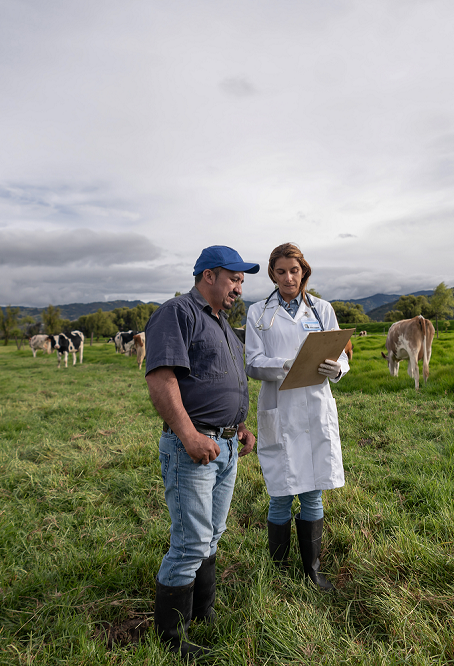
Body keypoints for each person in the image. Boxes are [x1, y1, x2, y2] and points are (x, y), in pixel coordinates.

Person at [143, 245, 258, 659]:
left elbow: (222, 382)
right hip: (193, 447)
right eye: (234, 278)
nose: (239, 287)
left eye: (242, 281)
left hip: (224, 445)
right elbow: (160, 379)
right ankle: (171, 641)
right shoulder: (178, 313)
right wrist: (190, 435)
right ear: (208, 276)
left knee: (213, 535)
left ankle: (203, 614)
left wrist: (240, 427)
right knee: (191, 541)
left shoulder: (224, 325)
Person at [245, 243, 350, 590]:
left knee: (312, 493)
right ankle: (277, 573)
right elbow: (252, 362)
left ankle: (313, 571)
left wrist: (337, 368)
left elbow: (341, 355)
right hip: (280, 408)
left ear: (304, 271)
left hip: (315, 406)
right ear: (273, 274)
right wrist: (284, 366)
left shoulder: (322, 309)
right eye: (280, 271)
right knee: (280, 492)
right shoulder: (258, 313)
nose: (288, 278)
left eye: (294, 270)